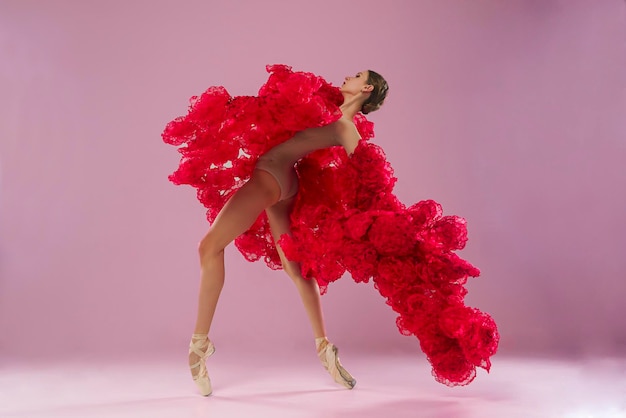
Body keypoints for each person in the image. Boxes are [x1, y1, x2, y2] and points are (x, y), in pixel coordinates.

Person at [163, 65, 499, 397]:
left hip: (271, 178)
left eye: (357, 77)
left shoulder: (345, 128)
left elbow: (371, 179)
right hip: (286, 182)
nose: (348, 77)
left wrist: (386, 222)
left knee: (209, 248)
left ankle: (199, 345)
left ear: (366, 89)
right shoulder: (325, 105)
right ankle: (325, 348)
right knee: (297, 270)